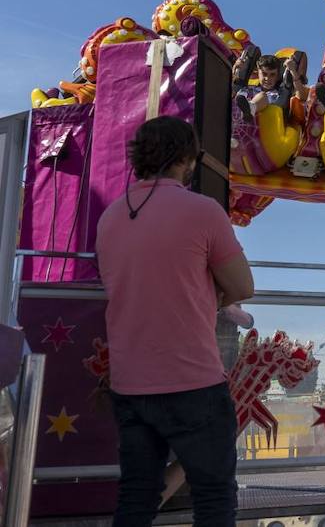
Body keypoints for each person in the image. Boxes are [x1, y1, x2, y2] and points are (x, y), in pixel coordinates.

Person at [95, 116, 254, 527]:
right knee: (214, 496)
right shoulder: (203, 211)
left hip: (129, 382)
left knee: (136, 497)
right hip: (193, 381)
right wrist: (211, 293)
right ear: (187, 159)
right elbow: (242, 286)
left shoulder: (110, 217)